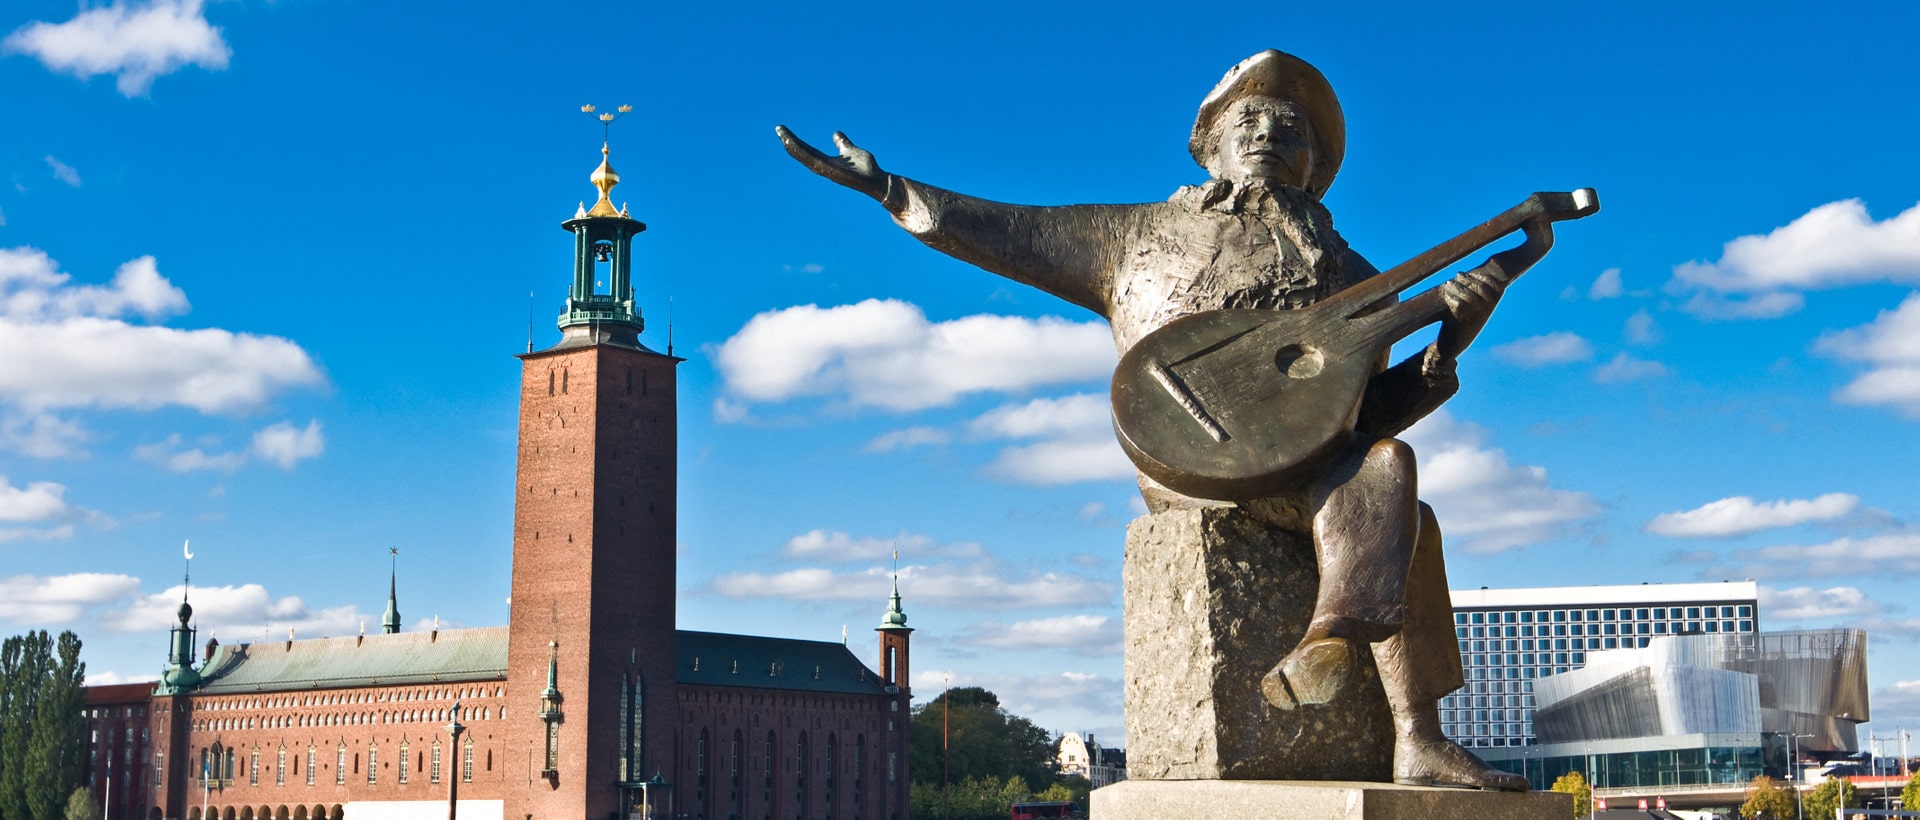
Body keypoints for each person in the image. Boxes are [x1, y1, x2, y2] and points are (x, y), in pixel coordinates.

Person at [778, 49, 1541, 791]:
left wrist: (1450, 342)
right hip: (1189, 466)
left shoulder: (1354, 278)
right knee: (1400, 500)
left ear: (1316, 163)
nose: (1269, 137)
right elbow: (1009, 230)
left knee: (1393, 474)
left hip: (1304, 476)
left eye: (1290, 129)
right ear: (1210, 147)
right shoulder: (1136, 237)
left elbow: (1359, 416)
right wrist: (890, 190)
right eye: (1248, 123)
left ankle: (1398, 718)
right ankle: (1388, 699)